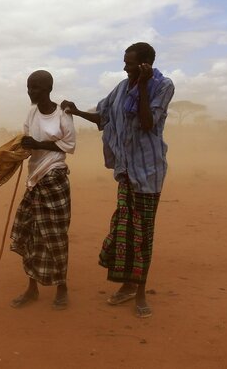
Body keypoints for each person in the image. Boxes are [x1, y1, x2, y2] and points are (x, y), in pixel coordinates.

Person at [61, 42, 174, 318]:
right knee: (125, 232)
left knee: (143, 235)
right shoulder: (121, 89)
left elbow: (148, 123)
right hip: (126, 172)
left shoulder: (163, 86)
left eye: (130, 63)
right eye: (125, 62)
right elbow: (103, 116)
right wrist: (76, 112)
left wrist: (144, 86)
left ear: (146, 64)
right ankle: (126, 285)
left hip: (148, 173)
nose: (125, 67)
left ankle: (141, 293)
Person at [9, 70, 76, 310]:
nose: (30, 92)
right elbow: (27, 140)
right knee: (31, 234)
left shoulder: (63, 115)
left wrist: (38, 144)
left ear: (48, 88)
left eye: (35, 88)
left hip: (55, 179)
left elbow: (69, 145)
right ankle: (32, 288)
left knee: (56, 236)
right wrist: (20, 150)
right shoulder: (31, 112)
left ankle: (61, 287)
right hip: (34, 179)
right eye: (29, 87)